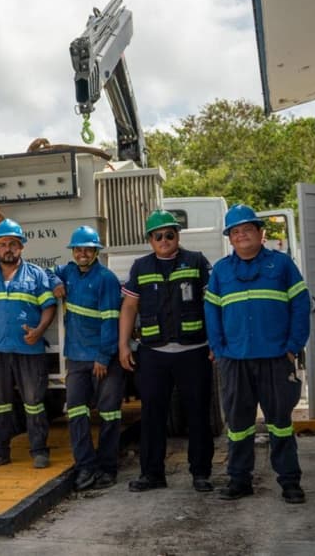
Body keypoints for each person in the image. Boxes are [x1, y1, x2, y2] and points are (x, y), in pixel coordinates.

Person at [205, 204, 310, 504]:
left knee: (279, 422)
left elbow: (301, 307)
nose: (241, 236)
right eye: (235, 232)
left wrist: (293, 347)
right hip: (234, 360)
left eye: (246, 230)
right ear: (230, 238)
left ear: (260, 233)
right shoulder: (222, 271)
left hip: (276, 358)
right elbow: (211, 311)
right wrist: (219, 348)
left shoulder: (282, 265)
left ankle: (290, 482)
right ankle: (239, 480)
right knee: (238, 425)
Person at [119, 209, 216, 493]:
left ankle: (201, 473)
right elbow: (129, 307)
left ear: (177, 236)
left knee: (198, 413)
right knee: (152, 414)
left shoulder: (197, 262)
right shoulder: (140, 267)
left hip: (194, 351)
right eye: (158, 235)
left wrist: (216, 343)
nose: (164, 240)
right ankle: (152, 474)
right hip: (153, 354)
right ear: (150, 239)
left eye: (169, 234)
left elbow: (211, 304)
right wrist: (123, 344)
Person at [0, 218, 57, 468]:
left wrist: (40, 329)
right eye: (2, 244)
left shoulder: (36, 274)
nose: (8, 248)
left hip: (29, 350)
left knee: (34, 403)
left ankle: (39, 451)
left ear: (21, 247)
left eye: (13, 243)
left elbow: (49, 306)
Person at [52, 226, 124, 491]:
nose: (82, 253)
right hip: (76, 358)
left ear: (96, 251)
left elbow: (110, 321)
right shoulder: (68, 272)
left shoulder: (106, 279)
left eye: (87, 249)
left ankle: (107, 468)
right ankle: (85, 467)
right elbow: (48, 273)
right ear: (73, 252)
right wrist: (56, 283)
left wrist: (103, 357)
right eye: (78, 249)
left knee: (109, 414)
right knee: (77, 413)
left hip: (101, 358)